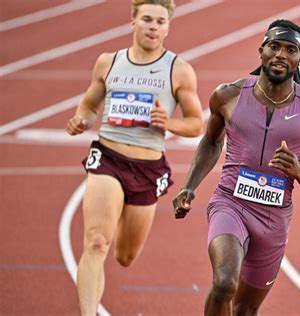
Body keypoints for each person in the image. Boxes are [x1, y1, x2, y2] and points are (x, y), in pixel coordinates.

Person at [173, 19, 300, 315]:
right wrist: (189, 186)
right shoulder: (229, 95)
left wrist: (299, 172)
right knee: (223, 283)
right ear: (261, 50)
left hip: (273, 220)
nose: (281, 55)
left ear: (299, 58)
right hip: (230, 204)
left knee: (245, 310)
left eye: (290, 50)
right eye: (274, 46)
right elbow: (211, 142)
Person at [66, 0, 203, 314]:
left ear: (167, 27)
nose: (153, 27)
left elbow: (197, 122)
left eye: (159, 21)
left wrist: (169, 123)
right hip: (109, 157)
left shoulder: (178, 70)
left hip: (148, 167)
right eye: (146, 20)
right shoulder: (108, 62)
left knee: (125, 256)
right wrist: (82, 119)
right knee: (97, 242)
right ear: (132, 22)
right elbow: (89, 104)